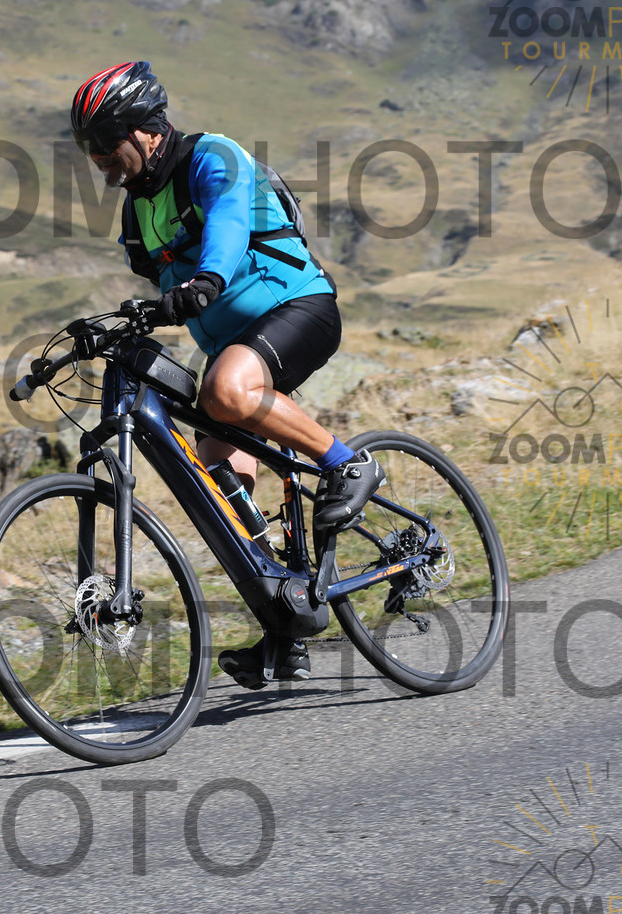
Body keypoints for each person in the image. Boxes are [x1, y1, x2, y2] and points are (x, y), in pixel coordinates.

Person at [68, 60, 386, 689]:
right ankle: (286, 617)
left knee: (225, 390)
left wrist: (209, 278)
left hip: (297, 308)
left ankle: (347, 464)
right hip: (239, 344)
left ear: (147, 130)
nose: (98, 157)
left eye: (106, 141)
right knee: (211, 469)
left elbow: (229, 225)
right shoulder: (137, 212)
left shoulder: (212, 157)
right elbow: (162, 289)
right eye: (89, 148)